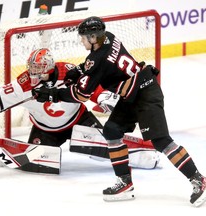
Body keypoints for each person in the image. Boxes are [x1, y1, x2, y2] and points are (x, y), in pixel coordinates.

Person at [31, 17, 206, 207]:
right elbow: (94, 64)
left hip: (146, 94)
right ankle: (125, 182)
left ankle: (199, 180)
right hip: (132, 94)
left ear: (92, 37)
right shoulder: (109, 38)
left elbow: (81, 95)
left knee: (161, 140)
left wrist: (51, 95)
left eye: (83, 38)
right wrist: (80, 70)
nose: (81, 41)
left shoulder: (98, 59)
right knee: (112, 130)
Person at [0, 48, 159, 174]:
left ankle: (144, 153)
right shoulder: (25, 85)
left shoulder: (71, 73)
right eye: (32, 69)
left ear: (49, 68)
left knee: (103, 148)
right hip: (45, 130)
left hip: (78, 120)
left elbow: (90, 86)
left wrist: (102, 97)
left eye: (38, 70)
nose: (34, 74)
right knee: (39, 161)